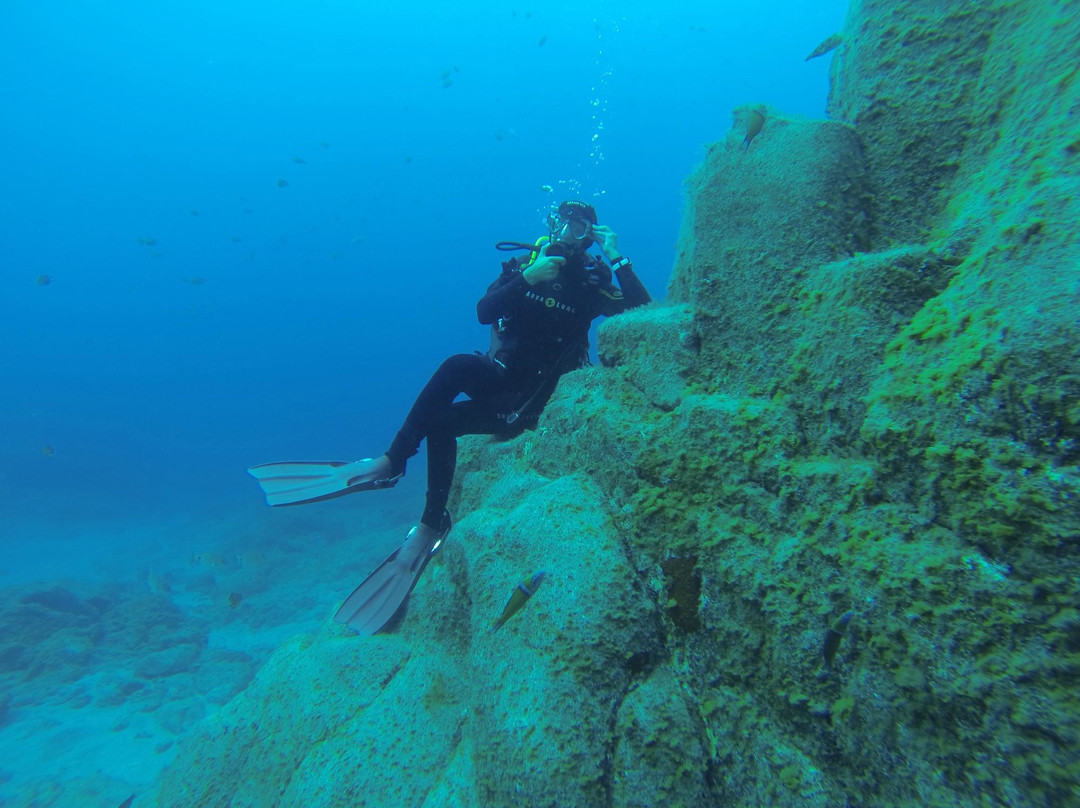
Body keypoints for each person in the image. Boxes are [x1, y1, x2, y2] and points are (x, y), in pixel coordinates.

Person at [249, 201, 651, 634]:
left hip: (536, 402)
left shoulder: (592, 281)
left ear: (591, 233)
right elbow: (483, 311)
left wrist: (617, 255)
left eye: (582, 227)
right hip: (501, 381)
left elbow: (641, 308)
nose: (572, 233)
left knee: (448, 418)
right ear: (552, 225)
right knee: (457, 370)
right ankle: (401, 478)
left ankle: (424, 522)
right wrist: (526, 279)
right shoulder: (524, 266)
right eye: (565, 224)